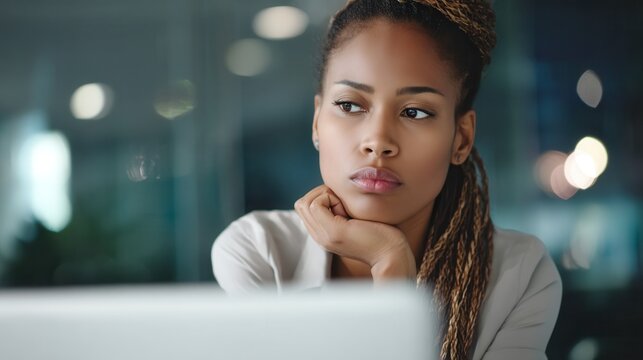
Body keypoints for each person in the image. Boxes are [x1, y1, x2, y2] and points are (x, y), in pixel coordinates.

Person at [211, 0, 562, 359]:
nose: (378, 141)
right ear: (317, 122)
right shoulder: (259, 251)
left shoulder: (519, 274)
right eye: (350, 105)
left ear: (461, 139)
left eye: (415, 112)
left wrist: (390, 263)